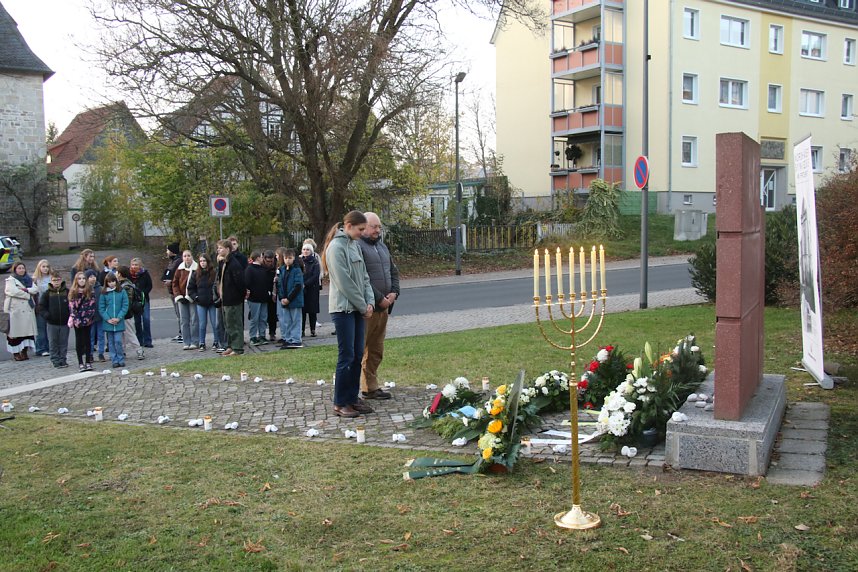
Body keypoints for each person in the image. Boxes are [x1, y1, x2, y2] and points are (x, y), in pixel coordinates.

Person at [321, 210, 375, 418]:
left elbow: (364, 277)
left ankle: (352, 397)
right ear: (349, 226)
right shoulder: (336, 247)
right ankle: (340, 402)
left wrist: (370, 302)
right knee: (347, 356)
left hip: (358, 308)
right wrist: (363, 306)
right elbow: (345, 283)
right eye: (360, 229)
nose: (363, 233)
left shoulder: (354, 245)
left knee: (358, 354)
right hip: (343, 309)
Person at [358, 212, 401, 400]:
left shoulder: (382, 247)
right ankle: (353, 391)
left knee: (376, 350)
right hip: (368, 308)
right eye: (374, 227)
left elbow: (393, 271)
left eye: (379, 227)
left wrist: (394, 292)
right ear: (364, 227)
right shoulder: (358, 247)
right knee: (360, 349)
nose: (378, 230)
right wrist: (378, 298)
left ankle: (371, 386)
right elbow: (362, 278)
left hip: (384, 308)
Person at [216, 239, 246, 356]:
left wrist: (239, 296)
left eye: (221, 248)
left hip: (233, 299)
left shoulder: (234, 264)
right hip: (225, 299)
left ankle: (237, 347)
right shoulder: (224, 263)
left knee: (235, 324)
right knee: (227, 324)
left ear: (227, 249)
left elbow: (240, 283)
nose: (218, 250)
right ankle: (230, 345)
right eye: (218, 248)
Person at [4, 261, 39, 361]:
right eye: (19, 268)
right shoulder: (10, 280)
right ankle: (16, 353)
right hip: (15, 309)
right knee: (15, 332)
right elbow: (13, 291)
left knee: (27, 332)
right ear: (15, 269)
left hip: (27, 308)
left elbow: (35, 289)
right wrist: (28, 294)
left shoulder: (29, 279)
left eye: (23, 268)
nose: (21, 270)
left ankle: (24, 351)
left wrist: (26, 290)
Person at [188, 253, 219, 351]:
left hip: (212, 302)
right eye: (201, 261)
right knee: (202, 324)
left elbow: (217, 286)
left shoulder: (214, 273)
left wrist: (216, 297)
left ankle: (216, 341)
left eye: (204, 261)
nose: (202, 263)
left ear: (208, 262)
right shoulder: (195, 274)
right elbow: (190, 288)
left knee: (215, 323)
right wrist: (196, 297)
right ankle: (202, 342)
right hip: (201, 303)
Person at [40, 271, 70, 368]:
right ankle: (55, 360)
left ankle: (63, 359)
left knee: (63, 342)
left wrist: (70, 316)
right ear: (51, 281)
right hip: (52, 323)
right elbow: (41, 307)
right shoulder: (47, 294)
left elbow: (72, 305)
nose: (56, 282)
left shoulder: (67, 292)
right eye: (54, 280)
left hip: (64, 322)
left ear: (61, 280)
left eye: (58, 280)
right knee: (53, 342)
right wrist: (47, 315)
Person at [67, 271, 97, 371]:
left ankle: (88, 361)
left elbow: (92, 306)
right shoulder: (73, 292)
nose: (82, 280)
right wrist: (77, 319)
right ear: (76, 280)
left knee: (88, 340)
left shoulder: (90, 291)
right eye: (79, 279)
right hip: (77, 320)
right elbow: (72, 307)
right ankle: (80, 362)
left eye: (83, 278)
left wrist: (87, 318)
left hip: (87, 320)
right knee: (79, 341)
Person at [115, 266, 145, 360]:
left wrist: (122, 312)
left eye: (117, 272)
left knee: (130, 334)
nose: (115, 274)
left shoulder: (126, 286)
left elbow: (127, 302)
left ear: (120, 274)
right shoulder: (123, 284)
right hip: (122, 314)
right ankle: (122, 352)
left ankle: (139, 350)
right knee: (122, 335)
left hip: (126, 314)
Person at [277, 248, 304, 349]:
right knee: (286, 321)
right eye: (286, 258)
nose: (287, 260)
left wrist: (289, 298)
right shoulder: (282, 269)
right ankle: (288, 339)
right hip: (284, 300)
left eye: (290, 258)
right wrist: (282, 298)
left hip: (294, 300)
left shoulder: (297, 270)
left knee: (295, 320)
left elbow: (298, 286)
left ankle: (296, 339)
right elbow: (279, 284)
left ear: (293, 258)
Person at [99, 273, 128, 368]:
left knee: (118, 341)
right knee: (111, 342)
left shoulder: (122, 291)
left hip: (119, 322)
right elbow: (101, 308)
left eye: (113, 281)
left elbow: (125, 305)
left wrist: (119, 317)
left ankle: (120, 358)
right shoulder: (104, 293)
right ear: (106, 283)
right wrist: (108, 319)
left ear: (116, 281)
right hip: (109, 322)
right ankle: (114, 360)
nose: (111, 283)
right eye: (109, 282)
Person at [171, 250, 199, 350]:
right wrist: (178, 295)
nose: (187, 258)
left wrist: (192, 296)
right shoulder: (179, 269)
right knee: (184, 320)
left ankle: (195, 341)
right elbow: (175, 283)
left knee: (194, 320)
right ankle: (186, 342)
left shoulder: (197, 269)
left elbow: (198, 284)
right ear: (182, 258)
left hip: (192, 298)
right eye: (185, 256)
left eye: (188, 256)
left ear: (192, 257)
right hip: (181, 298)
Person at [245, 251, 271, 346]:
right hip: (254, 298)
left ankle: (262, 335)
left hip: (263, 297)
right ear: (257, 258)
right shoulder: (249, 269)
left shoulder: (263, 269)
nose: (262, 258)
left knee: (263, 318)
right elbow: (247, 283)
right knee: (254, 318)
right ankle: (253, 336)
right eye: (261, 257)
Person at [161, 242, 183, 343]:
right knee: (178, 313)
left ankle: (183, 333)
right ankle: (181, 332)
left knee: (181, 313)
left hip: (177, 291)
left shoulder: (178, 261)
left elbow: (176, 276)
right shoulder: (172, 261)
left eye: (168, 250)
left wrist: (171, 281)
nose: (166, 252)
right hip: (172, 291)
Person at [129, 257, 154, 348]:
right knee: (137, 321)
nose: (134, 266)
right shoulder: (129, 275)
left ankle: (148, 340)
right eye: (133, 265)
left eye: (136, 265)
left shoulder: (145, 274)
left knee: (146, 319)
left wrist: (143, 293)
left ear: (140, 266)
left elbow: (149, 285)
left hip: (144, 299)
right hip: (134, 301)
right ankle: (139, 340)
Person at [31, 258, 52, 357]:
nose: (45, 268)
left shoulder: (51, 278)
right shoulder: (35, 279)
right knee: (41, 328)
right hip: (40, 306)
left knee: (50, 328)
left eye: (47, 267)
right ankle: (41, 348)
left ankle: (48, 347)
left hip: (50, 305)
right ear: (39, 267)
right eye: (43, 267)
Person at [301, 243, 321, 337]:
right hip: (302, 289)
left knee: (312, 310)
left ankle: (313, 329)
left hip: (312, 288)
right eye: (304, 249)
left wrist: (306, 283)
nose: (305, 251)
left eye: (307, 249)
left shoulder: (315, 262)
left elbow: (315, 275)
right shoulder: (300, 261)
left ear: (311, 251)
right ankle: (302, 330)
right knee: (302, 310)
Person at [86, 270, 106, 362]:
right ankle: (90, 354)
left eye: (94, 276)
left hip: (100, 316)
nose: (92, 278)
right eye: (90, 277)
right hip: (90, 317)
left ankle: (101, 353)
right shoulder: (86, 289)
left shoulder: (100, 289)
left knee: (101, 336)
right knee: (90, 336)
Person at [262, 250, 279, 342]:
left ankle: (272, 333)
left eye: (271, 261)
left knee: (273, 314)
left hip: (273, 292)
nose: (270, 263)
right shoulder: (262, 267)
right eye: (268, 261)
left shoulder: (276, 267)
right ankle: (262, 333)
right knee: (263, 315)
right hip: (264, 291)